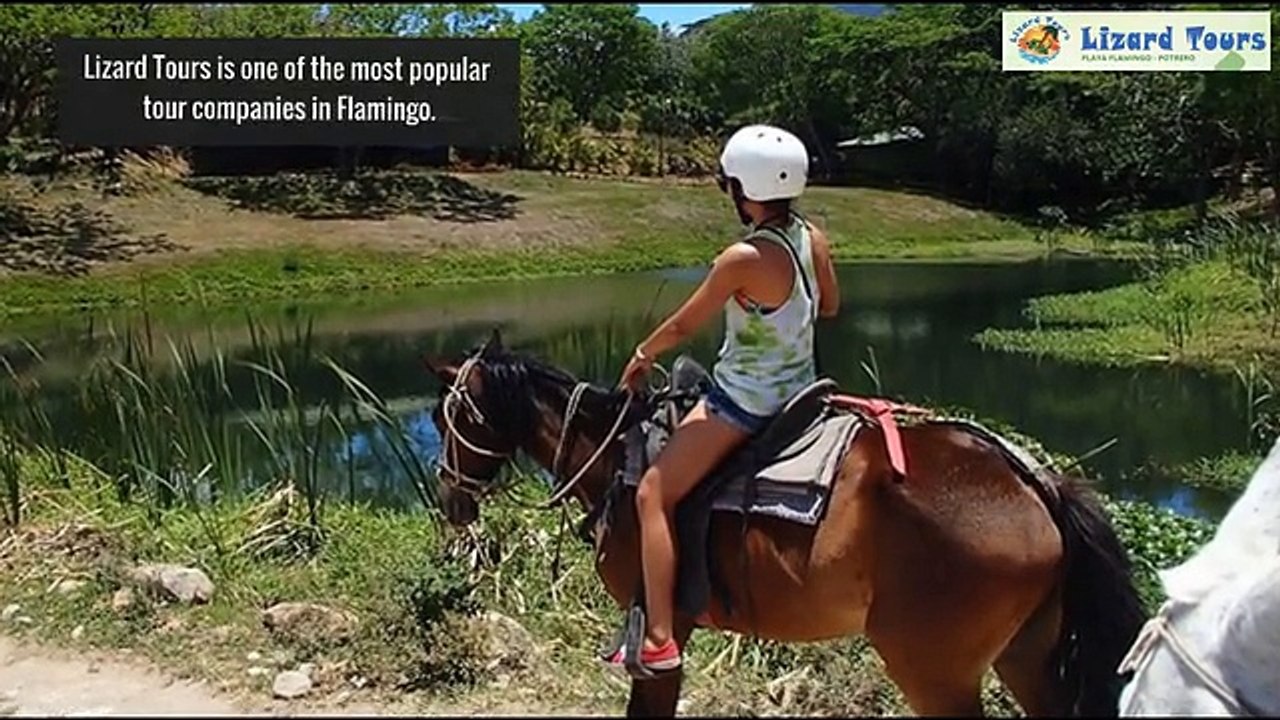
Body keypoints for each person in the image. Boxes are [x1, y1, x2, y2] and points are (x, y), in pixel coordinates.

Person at [605, 124, 841, 672]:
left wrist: (641, 354)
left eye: (731, 183)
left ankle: (660, 639)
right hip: (802, 393)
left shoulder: (742, 257)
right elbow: (828, 306)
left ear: (744, 189)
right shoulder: (814, 238)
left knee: (654, 495)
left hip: (747, 402)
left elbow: (686, 325)